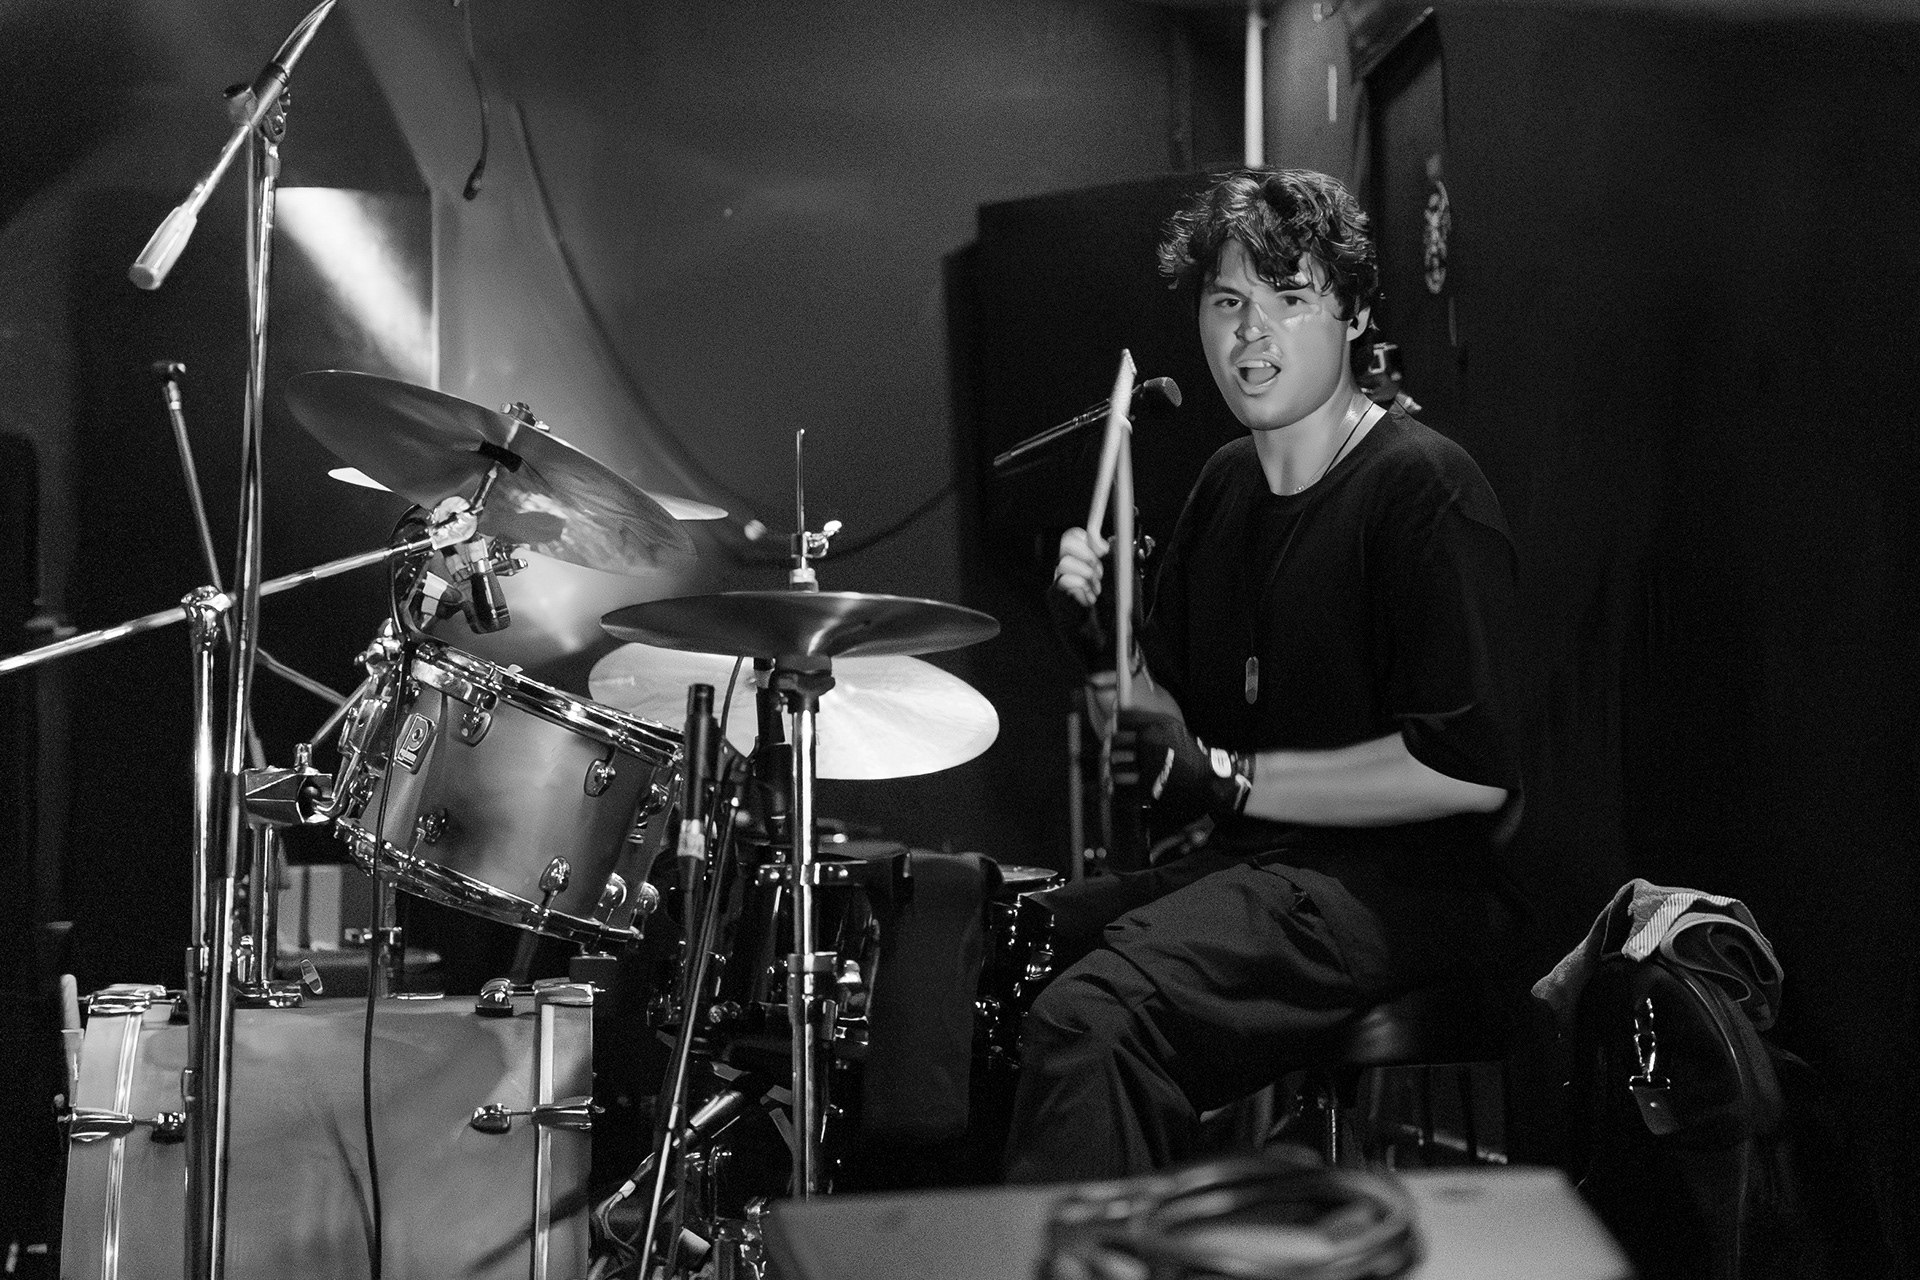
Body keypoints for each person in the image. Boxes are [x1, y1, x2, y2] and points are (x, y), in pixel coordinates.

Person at [1004, 168, 1523, 1182]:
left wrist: (1235, 780)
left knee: (1093, 1016)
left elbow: (1466, 769)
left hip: (1403, 888)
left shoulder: (1424, 487)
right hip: (1262, 871)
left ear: (1356, 313)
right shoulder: (1225, 487)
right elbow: (1168, 726)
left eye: (1290, 298)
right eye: (1228, 302)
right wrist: (1100, 647)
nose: (1253, 332)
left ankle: (1113, 1249)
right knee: (1006, 953)